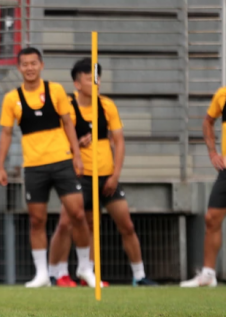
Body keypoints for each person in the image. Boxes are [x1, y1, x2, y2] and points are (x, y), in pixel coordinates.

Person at [47, 58, 157, 287]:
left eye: (97, 78)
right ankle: (55, 274)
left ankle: (138, 275)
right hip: (80, 176)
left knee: (126, 224)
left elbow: (119, 140)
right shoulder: (68, 107)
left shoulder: (107, 106)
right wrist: (77, 144)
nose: (95, 82)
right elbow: (59, 141)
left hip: (107, 176)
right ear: (77, 83)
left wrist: (115, 175)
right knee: (68, 223)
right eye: (89, 79)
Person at [0, 47, 97, 288]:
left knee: (78, 213)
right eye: (24, 64)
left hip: (62, 162)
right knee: (37, 220)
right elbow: (6, 133)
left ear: (41, 65)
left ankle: (85, 267)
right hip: (33, 166)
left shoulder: (55, 90)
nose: (29, 68)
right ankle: (42, 273)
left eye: (33, 63)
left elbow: (69, 124)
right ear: (19, 68)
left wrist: (77, 156)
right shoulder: (12, 98)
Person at [181, 85, 226, 287]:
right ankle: (208, 275)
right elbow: (208, 121)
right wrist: (213, 153)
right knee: (211, 218)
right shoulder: (223, 94)